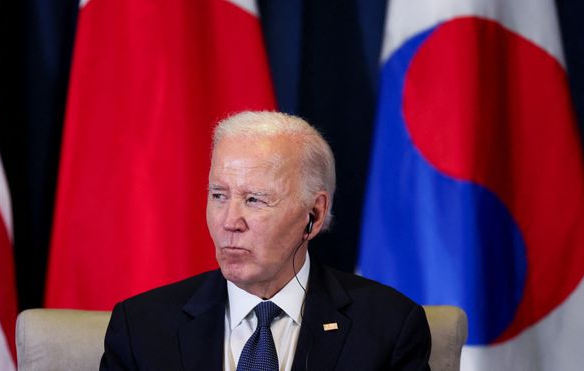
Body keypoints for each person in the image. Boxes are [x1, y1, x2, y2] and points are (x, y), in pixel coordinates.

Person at [100, 111, 431, 370]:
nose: (229, 221)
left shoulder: (388, 327)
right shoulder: (141, 327)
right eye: (218, 195)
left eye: (255, 200)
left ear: (313, 214)